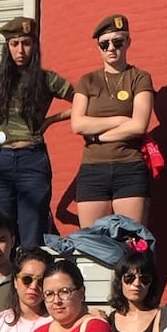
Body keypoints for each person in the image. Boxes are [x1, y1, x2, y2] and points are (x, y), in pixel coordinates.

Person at [0, 16, 76, 248]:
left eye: (26, 43)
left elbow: (82, 100)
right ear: (7, 46)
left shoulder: (47, 79)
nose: (21, 50)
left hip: (32, 160)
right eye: (14, 43)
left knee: (31, 235)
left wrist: (51, 120)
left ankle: (30, 281)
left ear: (35, 45)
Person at [64, 13, 155, 228]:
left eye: (118, 42)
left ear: (128, 42)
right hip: (93, 168)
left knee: (132, 242)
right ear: (99, 47)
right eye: (104, 44)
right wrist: (121, 119)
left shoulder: (140, 77)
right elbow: (77, 124)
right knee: (92, 244)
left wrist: (96, 134)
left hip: (129, 166)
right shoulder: (87, 81)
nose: (111, 48)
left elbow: (139, 125)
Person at [106, 244, 162, 332]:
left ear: (151, 283)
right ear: (120, 281)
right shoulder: (108, 320)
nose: (136, 283)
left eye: (144, 279)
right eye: (129, 278)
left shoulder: (161, 317)